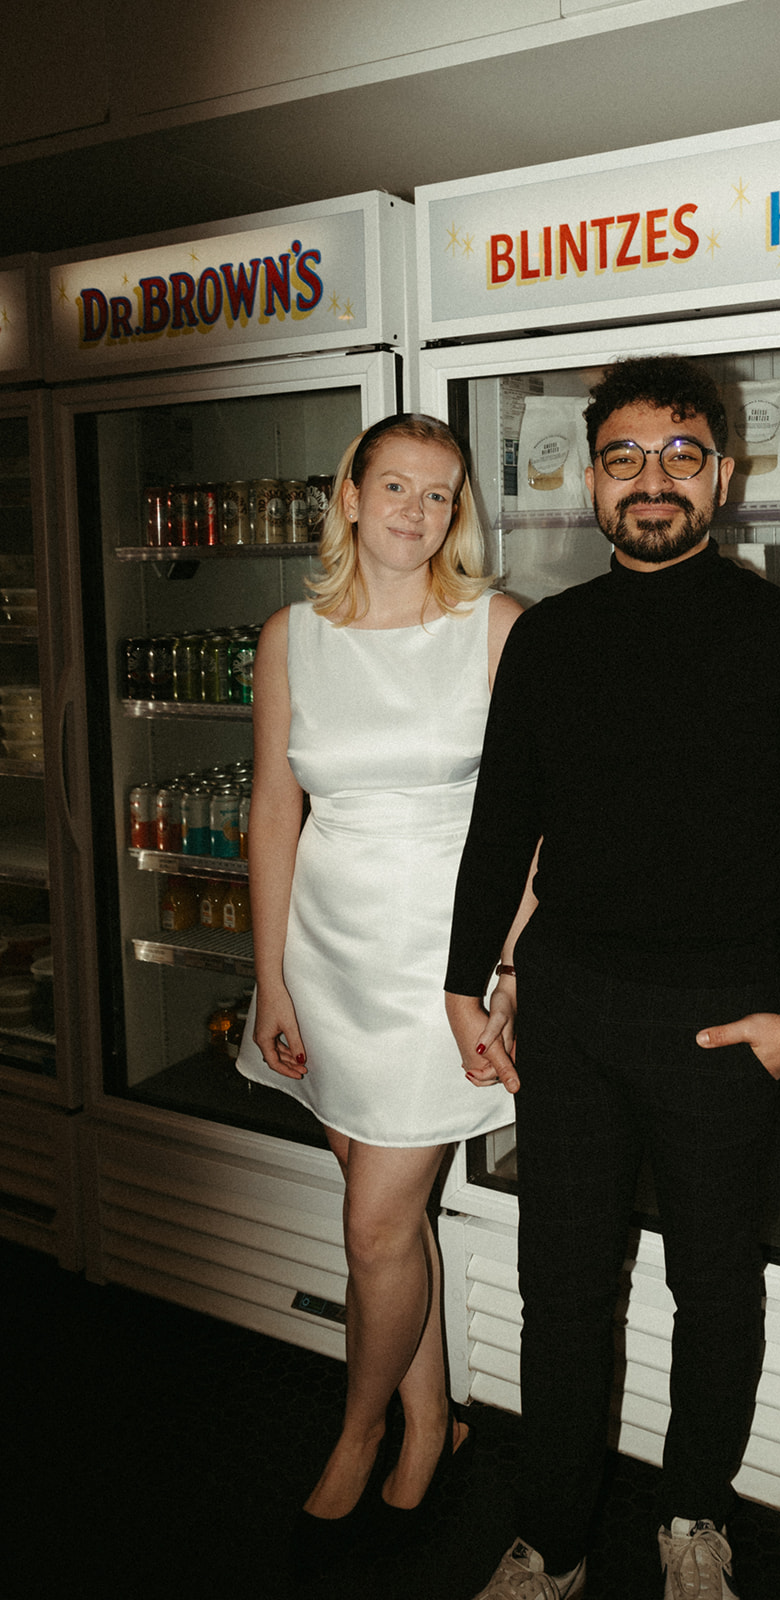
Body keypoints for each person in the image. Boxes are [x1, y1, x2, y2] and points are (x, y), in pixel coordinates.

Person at [445, 356, 780, 1600]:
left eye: (680, 455)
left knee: (714, 1288)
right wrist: (461, 978)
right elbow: (503, 823)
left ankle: (692, 1516)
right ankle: (553, 1536)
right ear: (589, 480)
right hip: (573, 1011)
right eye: (624, 458)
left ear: (726, 474)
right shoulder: (547, 639)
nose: (652, 481)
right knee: (561, 1290)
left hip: (718, 1023)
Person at [235, 412, 524, 1573]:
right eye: (394, 486)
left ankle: (356, 1432)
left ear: (459, 513)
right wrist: (268, 977)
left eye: (440, 494)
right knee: (385, 1222)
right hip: (327, 949)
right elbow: (270, 809)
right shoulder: (289, 636)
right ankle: (427, 1420)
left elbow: (535, 820)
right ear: (349, 496)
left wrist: (502, 967)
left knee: (371, 1225)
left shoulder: (496, 627)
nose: (416, 511)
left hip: (442, 962)